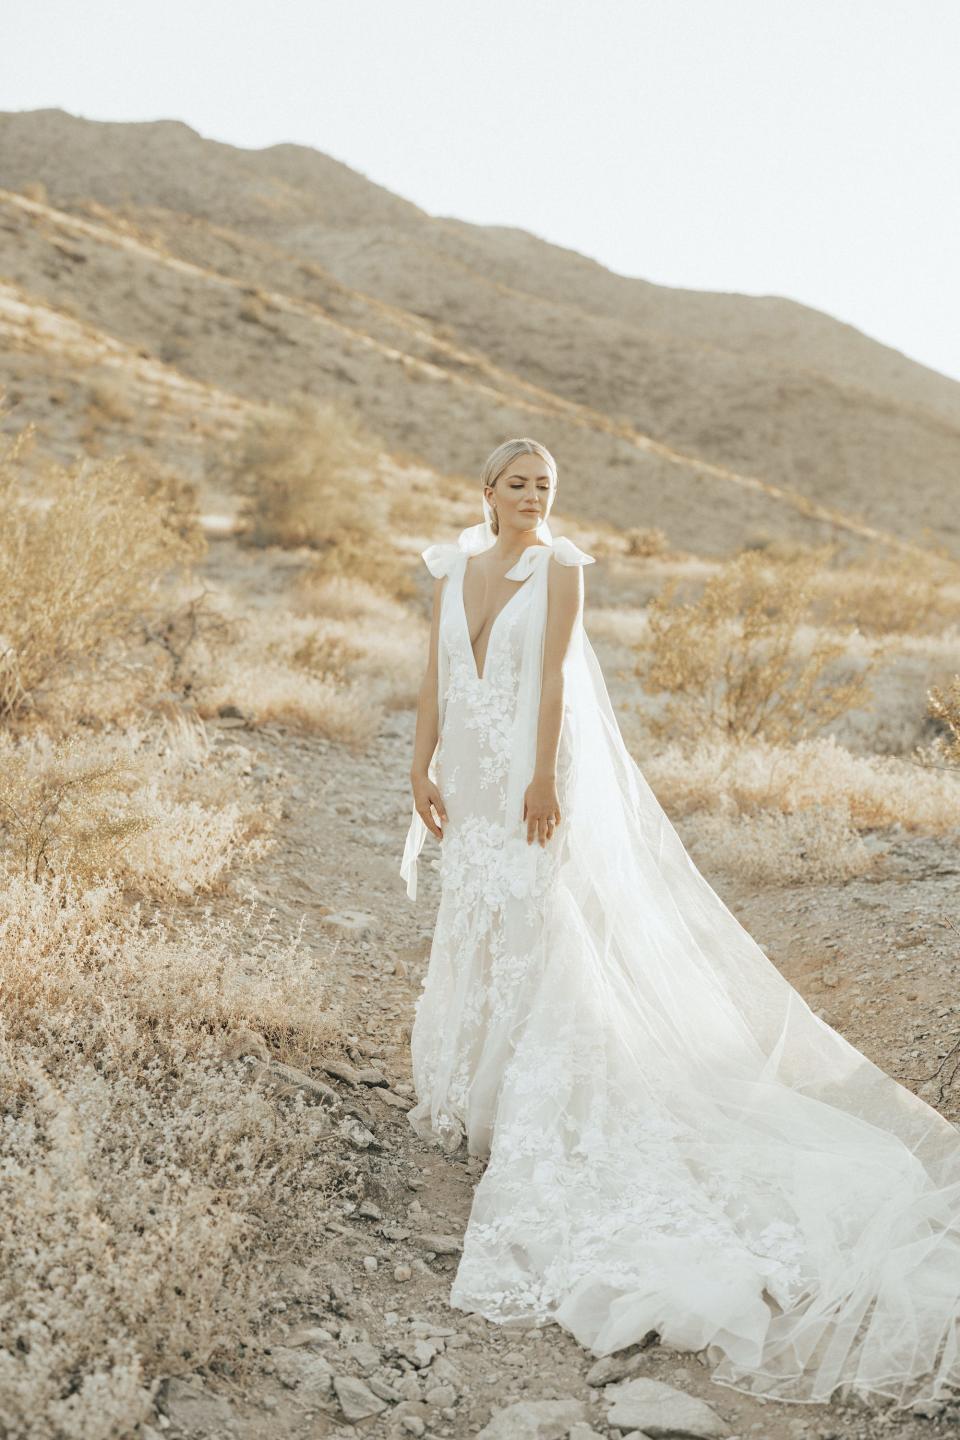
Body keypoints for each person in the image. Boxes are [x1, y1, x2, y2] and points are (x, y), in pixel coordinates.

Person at [399, 437, 960, 1413]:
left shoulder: (561, 570)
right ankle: (470, 1090)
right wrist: (420, 769)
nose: (535, 498)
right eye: (520, 484)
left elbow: (555, 684)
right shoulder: (451, 570)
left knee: (541, 923)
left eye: (548, 486)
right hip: (470, 776)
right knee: (476, 916)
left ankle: (540, 1098)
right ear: (485, 491)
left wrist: (542, 779)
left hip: (531, 775)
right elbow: (435, 679)